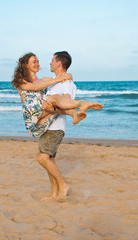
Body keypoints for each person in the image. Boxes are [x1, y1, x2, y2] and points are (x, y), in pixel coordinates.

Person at [36, 51, 103, 201]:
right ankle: (54, 193)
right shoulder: (55, 80)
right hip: (48, 126)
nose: (50, 63)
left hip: (56, 126)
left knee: (42, 158)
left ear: (59, 63)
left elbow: (66, 103)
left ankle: (63, 185)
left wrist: (49, 108)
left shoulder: (66, 83)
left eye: (52, 60)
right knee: (50, 160)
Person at [11, 52, 103, 138]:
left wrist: (67, 76)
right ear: (26, 65)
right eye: (34, 62)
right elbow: (35, 87)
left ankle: (74, 114)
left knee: (57, 100)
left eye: (38, 61)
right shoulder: (21, 82)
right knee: (53, 98)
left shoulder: (44, 80)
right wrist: (59, 79)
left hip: (42, 115)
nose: (37, 64)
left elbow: (59, 78)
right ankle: (80, 104)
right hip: (31, 115)